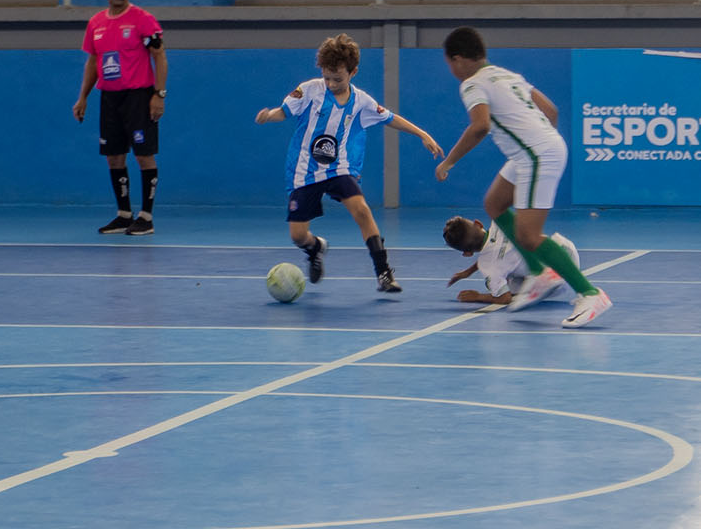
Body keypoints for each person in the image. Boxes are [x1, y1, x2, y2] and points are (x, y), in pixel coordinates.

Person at [435, 26, 611, 328]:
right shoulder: (506, 75)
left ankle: (590, 294)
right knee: (494, 204)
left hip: (536, 154)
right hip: (535, 150)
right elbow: (551, 111)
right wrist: (541, 140)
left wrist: (448, 162)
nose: (451, 70)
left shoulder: (472, 84)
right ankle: (539, 273)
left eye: (449, 63)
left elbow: (480, 126)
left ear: (458, 59)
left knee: (529, 235)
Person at [255, 33, 443, 292]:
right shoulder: (309, 90)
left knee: (362, 210)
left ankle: (384, 272)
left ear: (353, 72)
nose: (331, 84)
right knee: (298, 235)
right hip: (304, 171)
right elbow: (284, 112)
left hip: (339, 168)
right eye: (327, 77)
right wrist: (269, 116)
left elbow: (391, 118)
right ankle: (315, 248)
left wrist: (423, 134)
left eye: (338, 79)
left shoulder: (361, 101)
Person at [73, 0, 167, 236]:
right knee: (114, 157)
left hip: (138, 96)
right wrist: (83, 97)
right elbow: (93, 61)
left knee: (143, 155)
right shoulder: (96, 23)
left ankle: (146, 217)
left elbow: (160, 56)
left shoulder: (143, 20)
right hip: (109, 98)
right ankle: (124, 215)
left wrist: (158, 95)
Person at [444, 215, 579, 305]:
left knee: (506, 285)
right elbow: (494, 248)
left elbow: (505, 298)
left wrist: (478, 296)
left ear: (467, 253)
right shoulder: (500, 220)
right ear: (478, 223)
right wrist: (468, 271)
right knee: (513, 261)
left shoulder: (488, 267)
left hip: (560, 281)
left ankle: (543, 280)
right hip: (565, 249)